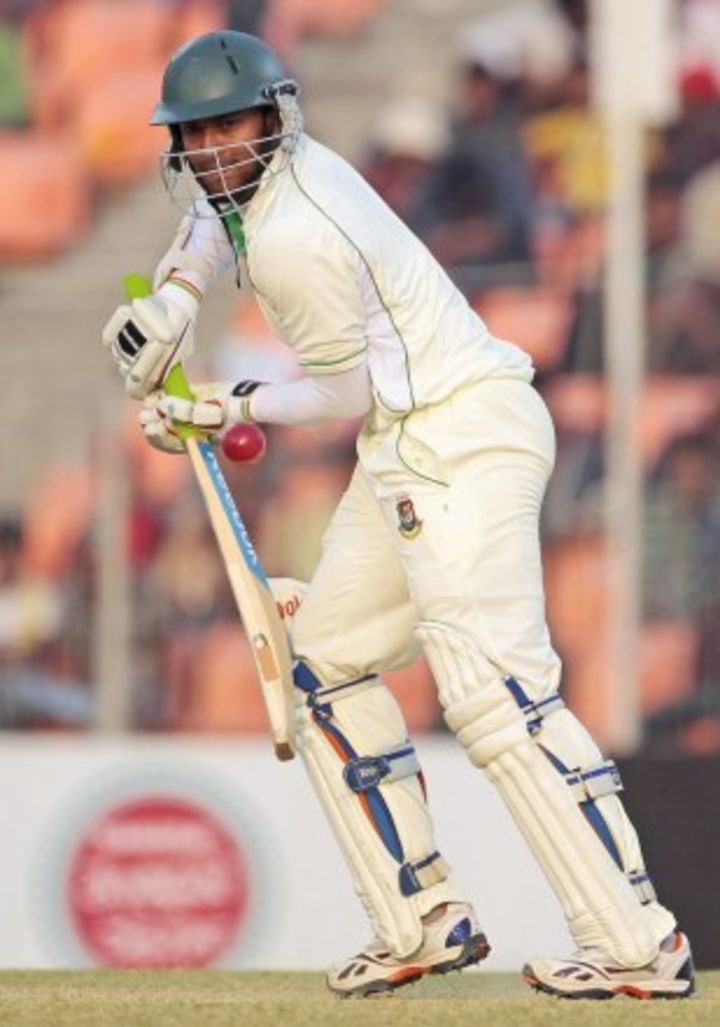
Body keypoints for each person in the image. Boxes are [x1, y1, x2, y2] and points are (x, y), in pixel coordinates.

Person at [101, 31, 694, 999]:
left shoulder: (298, 233)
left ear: (272, 118)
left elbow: (341, 394)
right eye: (195, 133)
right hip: (406, 445)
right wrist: (172, 301)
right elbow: (212, 221)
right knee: (326, 665)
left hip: (461, 436)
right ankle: (420, 919)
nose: (212, 148)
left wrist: (220, 403)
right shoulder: (254, 184)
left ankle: (637, 941)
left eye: (229, 126)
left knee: (496, 696)